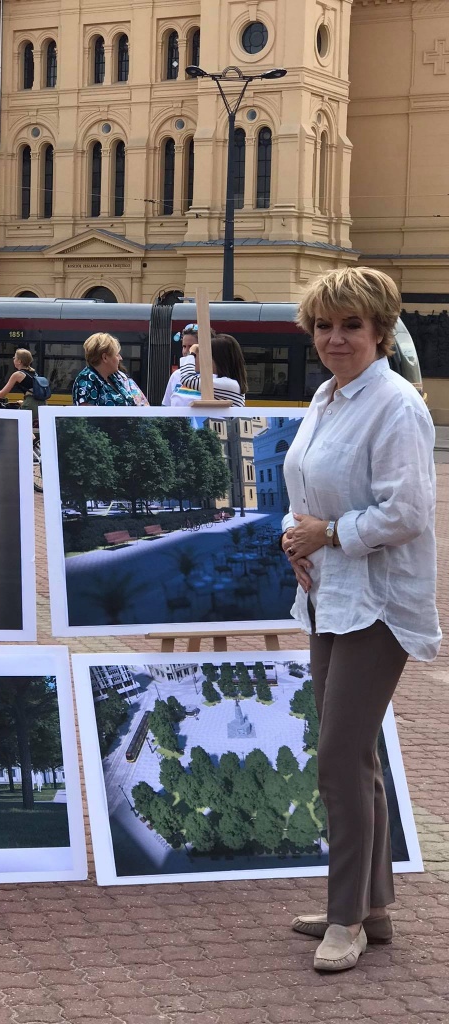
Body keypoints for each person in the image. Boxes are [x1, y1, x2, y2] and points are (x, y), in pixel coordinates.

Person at [280, 266, 440, 973]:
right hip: (327, 597)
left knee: (340, 759)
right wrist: (297, 536)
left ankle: (343, 919)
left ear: (379, 330)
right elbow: (306, 487)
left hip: (376, 601)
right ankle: (371, 910)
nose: (334, 338)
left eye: (349, 325)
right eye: (323, 325)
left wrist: (330, 534)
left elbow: (407, 512)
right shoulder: (327, 397)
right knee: (356, 757)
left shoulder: (395, 405)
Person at [72, 333, 148, 406]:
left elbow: (140, 402)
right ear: (105, 357)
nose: (120, 358)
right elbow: (88, 417)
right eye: (117, 355)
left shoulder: (117, 377)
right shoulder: (86, 380)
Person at [177, 333, 247, 406]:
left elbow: (188, 379)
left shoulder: (228, 384)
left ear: (217, 359)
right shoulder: (229, 383)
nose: (202, 359)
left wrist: (192, 353)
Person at [0, 348, 46, 420]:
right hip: (42, 405)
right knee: (27, 429)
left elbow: (2, 394)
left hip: (30, 405)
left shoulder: (18, 374)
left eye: (15, 358)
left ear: (19, 361)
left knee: (17, 427)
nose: (13, 359)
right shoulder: (34, 373)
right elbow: (33, 392)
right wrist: (24, 402)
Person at [162, 324, 198, 405]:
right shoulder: (176, 375)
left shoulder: (214, 377)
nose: (186, 351)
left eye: (191, 347)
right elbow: (166, 406)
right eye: (184, 346)